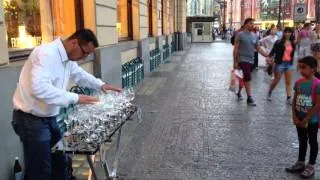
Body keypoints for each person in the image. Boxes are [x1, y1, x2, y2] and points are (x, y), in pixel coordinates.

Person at [11, 29, 121, 180]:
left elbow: (80, 75)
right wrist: (76, 98)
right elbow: (40, 89)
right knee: (41, 169)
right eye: (84, 53)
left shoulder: (68, 59)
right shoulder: (46, 54)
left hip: (50, 117)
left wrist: (101, 85)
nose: (84, 58)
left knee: (61, 162)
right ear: (74, 42)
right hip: (30, 119)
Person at [285, 56, 320, 179]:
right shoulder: (298, 83)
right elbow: (294, 100)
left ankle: (310, 165)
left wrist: (306, 119)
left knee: (312, 141)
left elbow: (317, 105)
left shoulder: (317, 84)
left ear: (313, 69)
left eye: (304, 68)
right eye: (300, 67)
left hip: (312, 120)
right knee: (302, 140)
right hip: (299, 118)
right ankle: (300, 162)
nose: (301, 70)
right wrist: (294, 116)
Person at [233, 18, 269, 106]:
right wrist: (235, 62)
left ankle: (239, 92)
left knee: (245, 78)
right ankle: (249, 97)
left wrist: (266, 55)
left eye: (252, 23)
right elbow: (236, 49)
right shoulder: (240, 35)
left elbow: (258, 48)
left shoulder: (255, 36)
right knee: (248, 77)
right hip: (242, 59)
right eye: (250, 23)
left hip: (251, 60)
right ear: (245, 24)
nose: (252, 25)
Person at [267, 27, 296, 104]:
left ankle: (289, 98)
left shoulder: (293, 43)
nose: (288, 34)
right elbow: (272, 52)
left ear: (291, 33)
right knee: (276, 80)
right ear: (283, 33)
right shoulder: (279, 42)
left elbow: (292, 54)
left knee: (288, 82)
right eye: (286, 32)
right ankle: (270, 92)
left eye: (289, 32)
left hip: (288, 64)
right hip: (280, 63)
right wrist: (269, 59)